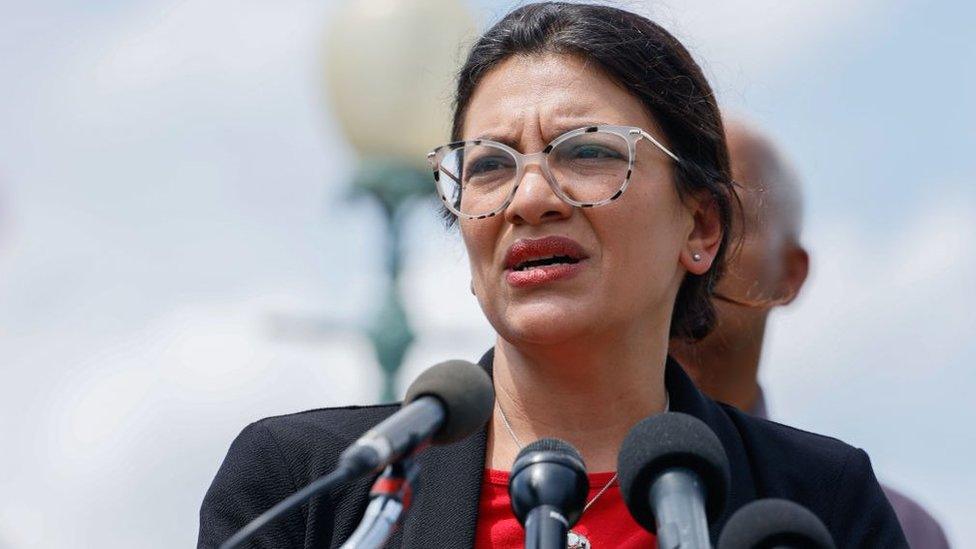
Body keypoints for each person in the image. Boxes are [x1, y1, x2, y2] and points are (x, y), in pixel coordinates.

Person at [198, 3, 908, 547]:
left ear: (699, 227)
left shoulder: (823, 499)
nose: (530, 198)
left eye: (588, 152)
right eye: (488, 165)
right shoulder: (313, 484)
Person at [671, 118, 951, 548]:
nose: (695, 243)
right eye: (674, 212)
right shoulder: (557, 494)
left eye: (722, 217)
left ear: (790, 274)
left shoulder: (877, 523)